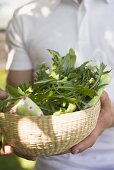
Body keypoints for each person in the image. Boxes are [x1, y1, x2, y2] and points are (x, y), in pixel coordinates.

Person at [2, 0, 114, 169]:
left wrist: (110, 116)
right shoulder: (25, 17)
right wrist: (19, 133)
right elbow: (19, 98)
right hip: (54, 163)